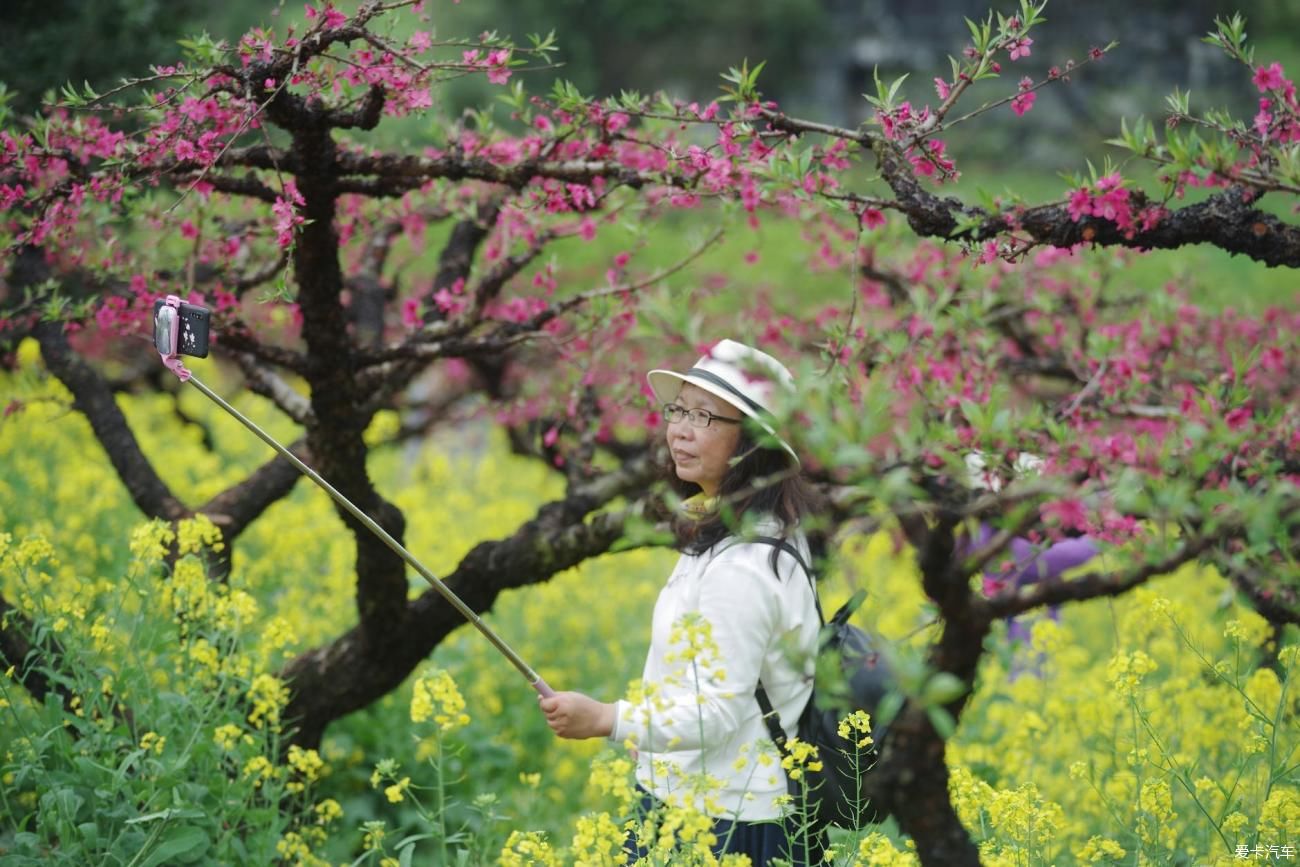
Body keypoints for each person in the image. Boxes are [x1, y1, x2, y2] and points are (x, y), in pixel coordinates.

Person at [539, 339, 826, 865]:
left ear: (752, 442)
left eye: (706, 416)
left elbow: (716, 712)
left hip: (724, 823)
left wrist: (607, 718)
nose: (681, 429)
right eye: (679, 410)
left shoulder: (743, 565)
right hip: (699, 804)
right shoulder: (742, 531)